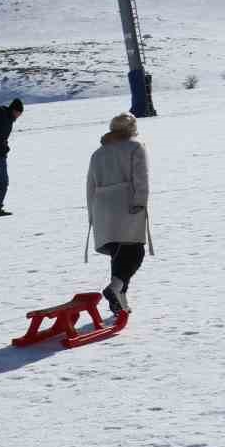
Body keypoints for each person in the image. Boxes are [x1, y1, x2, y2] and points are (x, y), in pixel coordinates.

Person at [86, 113, 151, 316]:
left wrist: (92, 216)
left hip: (101, 208)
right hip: (126, 204)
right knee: (134, 252)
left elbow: (90, 185)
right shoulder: (135, 147)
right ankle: (114, 289)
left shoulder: (98, 154)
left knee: (118, 255)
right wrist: (140, 201)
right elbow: (141, 177)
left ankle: (120, 299)